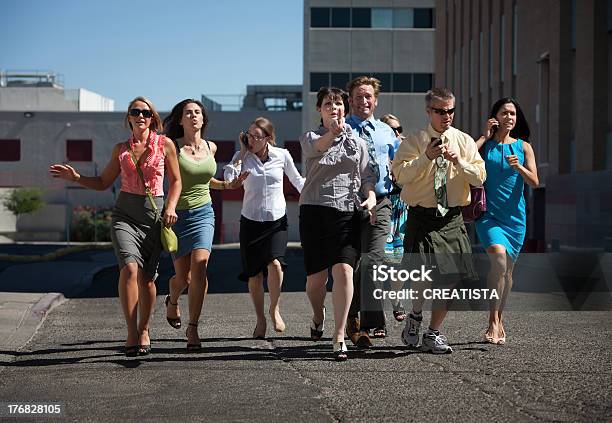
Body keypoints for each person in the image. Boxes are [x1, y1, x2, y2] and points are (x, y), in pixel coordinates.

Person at [50, 96, 181, 357]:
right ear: (129, 118)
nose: (141, 116)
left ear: (152, 118)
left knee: (147, 280)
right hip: (125, 216)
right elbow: (101, 182)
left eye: (146, 112)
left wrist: (170, 207)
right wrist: (76, 177)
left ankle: (145, 329)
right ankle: (132, 332)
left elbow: (176, 181)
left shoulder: (165, 145)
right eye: (135, 112)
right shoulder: (120, 149)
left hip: (153, 217)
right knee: (130, 270)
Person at [392, 88, 486, 354]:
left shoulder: (464, 141)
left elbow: (479, 177)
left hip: (451, 217)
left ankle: (433, 334)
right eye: (440, 111)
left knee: (450, 277)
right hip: (422, 215)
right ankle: (416, 315)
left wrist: (460, 163)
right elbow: (400, 176)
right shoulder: (414, 140)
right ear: (428, 112)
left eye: (450, 110)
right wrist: (426, 158)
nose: (447, 116)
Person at [162, 99, 248, 350]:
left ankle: (193, 328)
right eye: (188, 113)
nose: (194, 116)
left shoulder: (210, 148)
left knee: (200, 266)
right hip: (177, 215)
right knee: (183, 277)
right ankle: (173, 298)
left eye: (198, 112)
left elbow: (207, 180)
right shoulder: (172, 146)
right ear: (180, 120)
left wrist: (227, 185)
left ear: (203, 119)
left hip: (203, 213)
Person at [299, 87, 377, 361]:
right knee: (316, 281)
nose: (334, 107)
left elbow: (367, 175)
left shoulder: (358, 142)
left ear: (345, 108)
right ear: (319, 110)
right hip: (314, 211)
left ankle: (340, 334)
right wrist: (333, 132)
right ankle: (318, 315)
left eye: (339, 103)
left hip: (346, 212)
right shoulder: (310, 137)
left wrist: (369, 196)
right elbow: (319, 148)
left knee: (344, 271)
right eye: (328, 104)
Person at [224, 117, 304, 339]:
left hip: (276, 220)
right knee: (254, 276)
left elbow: (298, 181)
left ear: (268, 138)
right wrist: (241, 153)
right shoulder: (244, 157)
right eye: (248, 134)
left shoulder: (282, 155)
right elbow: (229, 179)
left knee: (276, 264)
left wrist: (316, 193)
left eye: (256, 136)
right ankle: (260, 319)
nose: (251, 139)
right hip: (250, 221)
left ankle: (274, 308)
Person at [474, 98, 539, 344]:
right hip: (488, 215)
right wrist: (483, 135)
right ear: (495, 117)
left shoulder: (523, 147)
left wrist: (519, 168)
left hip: (515, 219)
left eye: (513, 114)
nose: (509, 118)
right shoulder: (485, 145)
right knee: (499, 260)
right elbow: (467, 155)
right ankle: (492, 320)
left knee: (507, 273)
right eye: (504, 113)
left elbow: (534, 181)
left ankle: (499, 318)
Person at [344, 76, 398, 347]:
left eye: (368, 96)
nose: (363, 101)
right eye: (358, 96)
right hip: (348, 204)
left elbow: (401, 164)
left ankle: (368, 322)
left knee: (373, 261)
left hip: (381, 201)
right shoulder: (342, 130)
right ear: (350, 100)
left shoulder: (387, 132)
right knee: (351, 266)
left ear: (375, 100)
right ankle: (351, 318)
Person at [380, 113, 409, 322]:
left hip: (401, 210)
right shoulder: (377, 152)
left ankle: (396, 301)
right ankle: (377, 317)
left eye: (399, 129)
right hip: (381, 208)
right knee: (378, 264)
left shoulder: (406, 151)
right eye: (392, 130)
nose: (397, 134)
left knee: (397, 264)